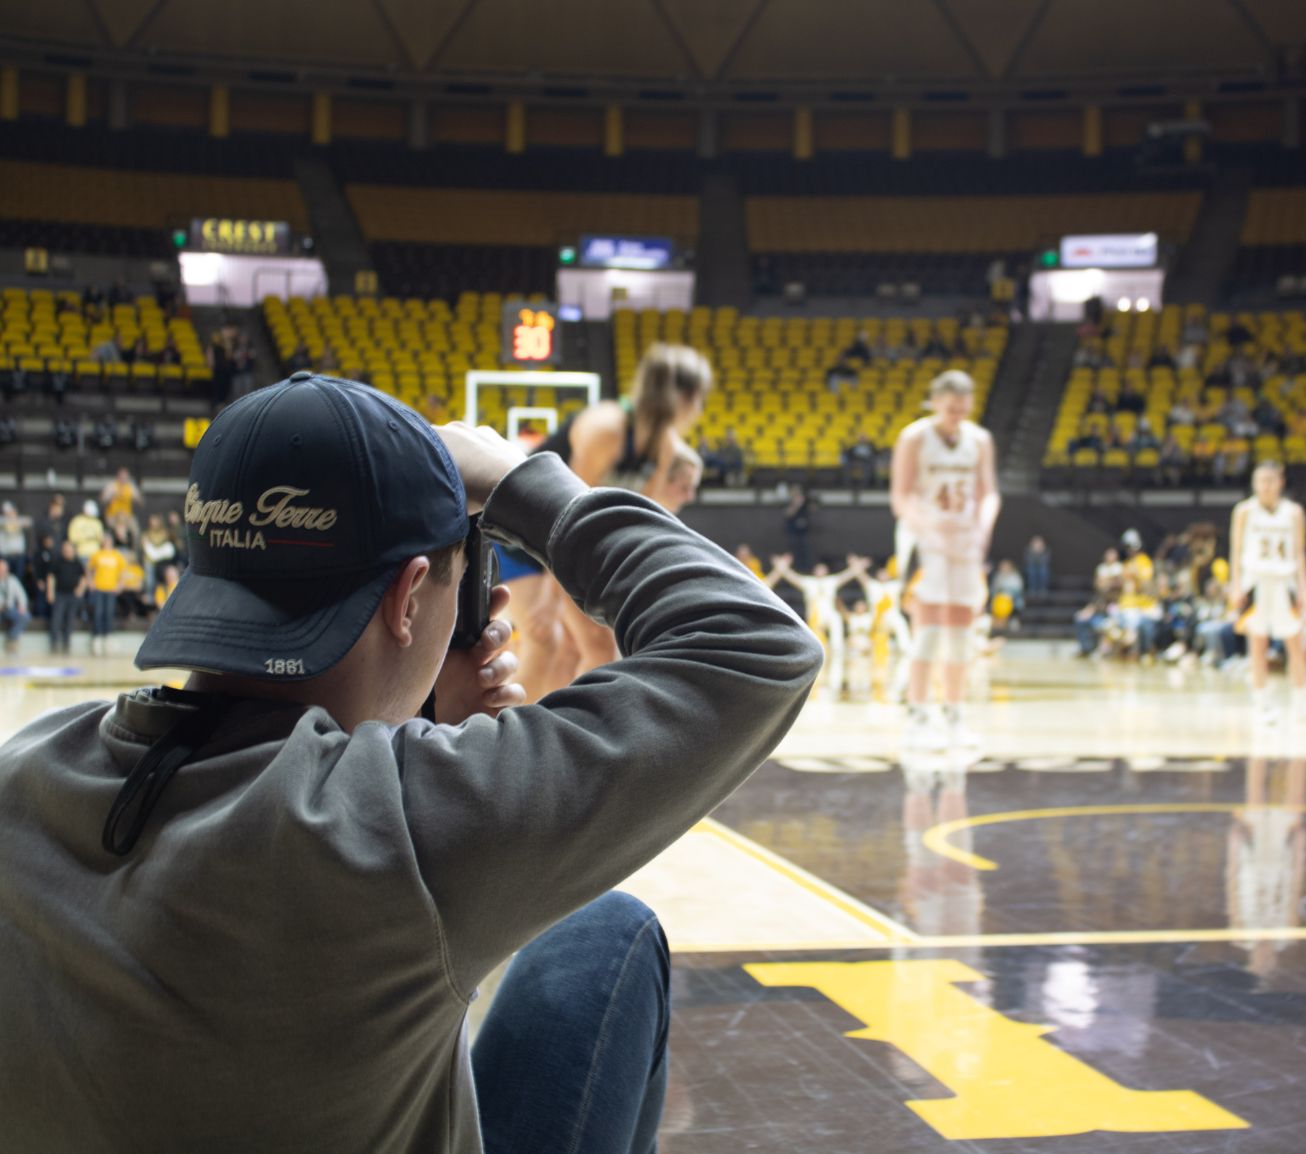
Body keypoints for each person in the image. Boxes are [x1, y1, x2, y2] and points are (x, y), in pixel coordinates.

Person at [0, 373, 823, 1153]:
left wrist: (413, 720)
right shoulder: (403, 826)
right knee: (610, 930)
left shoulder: (28, 771)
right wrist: (521, 482)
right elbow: (757, 644)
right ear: (408, 597)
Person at [500, 342, 712, 703]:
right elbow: (564, 512)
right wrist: (551, 598)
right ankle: (508, 742)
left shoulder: (665, 446)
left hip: (562, 542)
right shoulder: (606, 428)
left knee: (578, 648)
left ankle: (555, 739)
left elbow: (642, 519)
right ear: (681, 396)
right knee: (546, 638)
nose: (699, 410)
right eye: (698, 399)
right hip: (520, 533)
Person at [891, 370, 1001, 750]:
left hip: (965, 542)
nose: (956, 415)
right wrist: (933, 531)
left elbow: (989, 494)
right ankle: (919, 717)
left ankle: (954, 716)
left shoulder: (980, 439)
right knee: (929, 629)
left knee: (960, 633)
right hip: (927, 540)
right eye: (950, 408)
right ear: (936, 401)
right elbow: (901, 498)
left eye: (963, 409)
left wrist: (982, 529)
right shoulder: (915, 437)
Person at [1229, 460, 1306, 726]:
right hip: (1256, 582)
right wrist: (1235, 585)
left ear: (1280, 482)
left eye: (1270, 481)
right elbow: (1236, 551)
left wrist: (1303, 588)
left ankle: (1300, 703)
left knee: (1296, 645)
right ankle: (1261, 703)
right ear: (1254, 483)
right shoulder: (1244, 511)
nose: (1265, 486)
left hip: (1286, 581)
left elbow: (1299, 552)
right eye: (1261, 481)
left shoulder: (1293, 512)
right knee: (1257, 645)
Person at [767, 553, 866, 698]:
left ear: (826, 571)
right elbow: (791, 577)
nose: (820, 572)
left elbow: (847, 575)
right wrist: (782, 567)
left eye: (823, 570)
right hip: (815, 616)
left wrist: (857, 567)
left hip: (829, 614)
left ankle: (837, 651)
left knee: (836, 620)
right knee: (814, 636)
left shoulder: (831, 581)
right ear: (815, 572)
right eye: (818, 570)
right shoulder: (808, 582)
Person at [85, 532, 126, 656]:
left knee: (108, 613)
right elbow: (88, 569)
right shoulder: (97, 555)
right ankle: (97, 639)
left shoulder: (117, 555)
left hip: (111, 589)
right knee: (98, 613)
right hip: (99, 588)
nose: (107, 542)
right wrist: (90, 582)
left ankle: (107, 639)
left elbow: (123, 571)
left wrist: (120, 585)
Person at [46, 539, 87, 654]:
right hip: (60, 594)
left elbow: (84, 577)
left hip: (72, 595)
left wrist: (80, 589)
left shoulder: (77, 563)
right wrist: (50, 592)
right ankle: (54, 643)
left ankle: (66, 643)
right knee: (56, 619)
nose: (67, 552)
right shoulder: (57, 562)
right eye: (65, 549)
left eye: (69, 549)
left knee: (70, 620)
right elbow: (51, 577)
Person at [0, 558, 29, 654]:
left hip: (9, 609)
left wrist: (22, 606)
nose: (1, 571)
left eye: (3, 568)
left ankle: (12, 639)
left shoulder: (12, 580)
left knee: (25, 616)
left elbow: (21, 595)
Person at [0, 501, 29, 591]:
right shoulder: (2, 522)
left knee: (18, 580)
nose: (8, 514)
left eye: (10, 512)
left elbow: (28, 522)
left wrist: (14, 520)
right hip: (5, 556)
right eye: (6, 513)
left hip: (18, 556)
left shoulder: (18, 521)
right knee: (4, 580)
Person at [784, 484, 813, 571]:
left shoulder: (805, 503)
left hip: (804, 533)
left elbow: (812, 510)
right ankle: (794, 570)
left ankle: (805, 569)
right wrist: (796, 505)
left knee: (805, 552)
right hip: (793, 533)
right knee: (794, 553)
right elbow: (788, 514)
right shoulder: (789, 503)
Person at [1024, 536, 1051, 601]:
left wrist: (1040, 552)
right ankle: (1032, 590)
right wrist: (1034, 552)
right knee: (1031, 571)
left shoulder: (1046, 550)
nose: (1037, 545)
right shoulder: (1028, 550)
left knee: (1043, 570)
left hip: (1042, 567)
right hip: (1032, 567)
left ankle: (1043, 590)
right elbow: (1029, 561)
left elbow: (1045, 561)